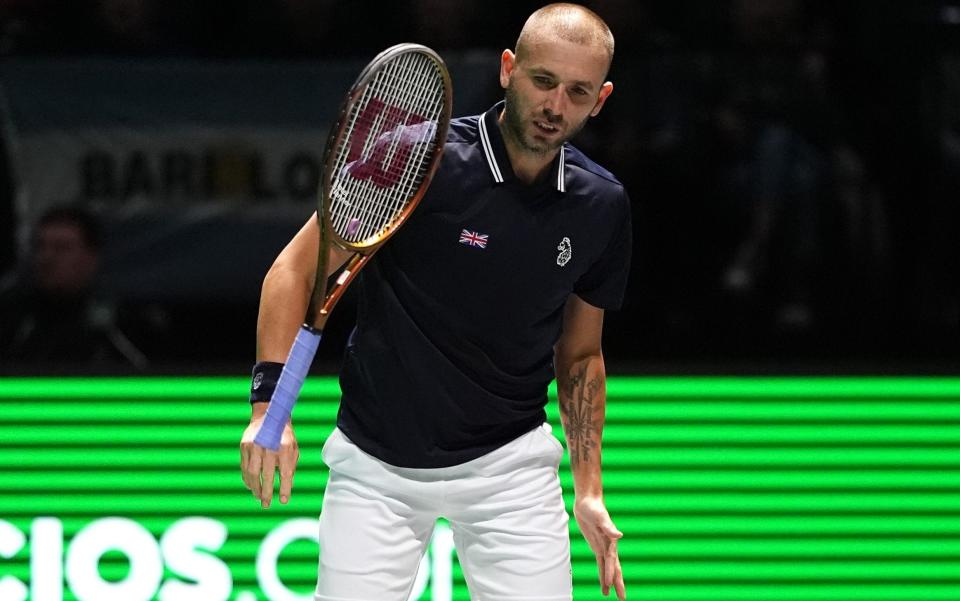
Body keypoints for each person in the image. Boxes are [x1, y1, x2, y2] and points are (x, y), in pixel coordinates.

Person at [240, 4, 630, 599]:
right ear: (508, 70)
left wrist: (589, 490)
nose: (556, 107)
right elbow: (294, 271)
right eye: (543, 81)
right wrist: (270, 406)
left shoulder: (600, 205)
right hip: (376, 466)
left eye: (577, 92)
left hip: (510, 470)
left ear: (599, 99)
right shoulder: (421, 158)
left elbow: (579, 356)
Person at [0, 205, 147, 368]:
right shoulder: (12, 317)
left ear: (91, 258)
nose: (46, 258)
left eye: (61, 248)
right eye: (40, 247)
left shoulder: (119, 324)